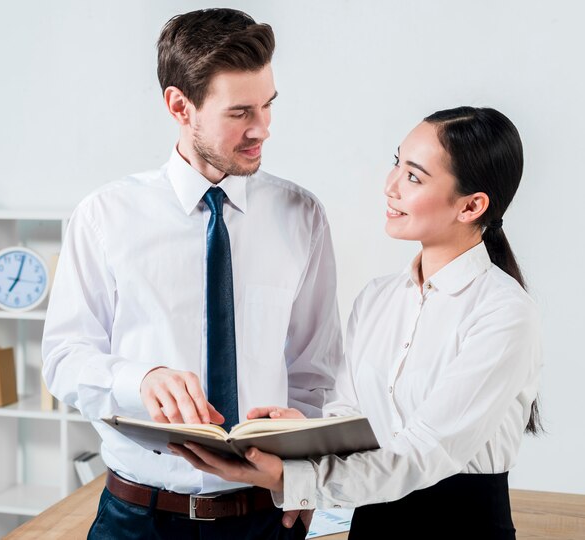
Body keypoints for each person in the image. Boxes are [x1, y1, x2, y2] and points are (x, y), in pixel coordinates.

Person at [170, 106, 543, 540]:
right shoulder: (378, 298)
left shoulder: (504, 313)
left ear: (472, 205)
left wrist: (293, 481)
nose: (391, 186)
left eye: (414, 177)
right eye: (396, 163)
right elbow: (350, 416)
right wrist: (302, 433)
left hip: (462, 526)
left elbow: (426, 450)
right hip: (370, 523)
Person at [42, 8, 342, 539]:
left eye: (269, 105)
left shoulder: (303, 216)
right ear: (180, 106)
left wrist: (304, 478)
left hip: (266, 521)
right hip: (138, 519)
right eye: (240, 112)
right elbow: (65, 359)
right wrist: (141, 379)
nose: (262, 129)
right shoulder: (104, 216)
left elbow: (312, 373)